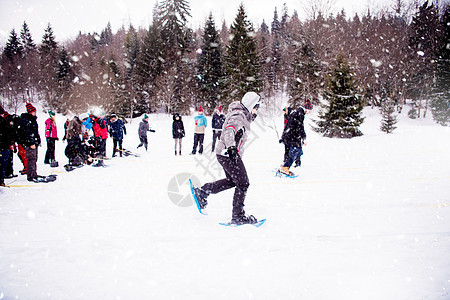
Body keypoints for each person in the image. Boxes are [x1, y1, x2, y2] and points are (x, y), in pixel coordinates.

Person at [191, 92, 261, 225]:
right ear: (251, 105)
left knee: (232, 181)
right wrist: (231, 148)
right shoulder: (239, 116)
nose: (256, 110)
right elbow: (230, 130)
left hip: (224, 154)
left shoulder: (241, 115)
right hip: (228, 154)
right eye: (256, 107)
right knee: (243, 183)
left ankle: (203, 191)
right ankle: (238, 216)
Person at [279, 100, 312, 176]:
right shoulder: (300, 114)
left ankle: (285, 165)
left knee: (290, 152)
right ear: (306, 109)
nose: (309, 112)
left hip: (289, 135)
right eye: (309, 110)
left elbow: (289, 125)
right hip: (293, 136)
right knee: (296, 152)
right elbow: (300, 127)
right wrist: (303, 138)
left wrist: (283, 136)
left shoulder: (296, 112)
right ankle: (285, 167)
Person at [20, 103, 41, 182]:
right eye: (34, 111)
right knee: (31, 159)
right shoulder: (27, 120)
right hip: (30, 143)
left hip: (34, 142)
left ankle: (34, 173)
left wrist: (37, 141)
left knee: (34, 159)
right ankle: (31, 175)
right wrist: (31, 143)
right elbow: (27, 133)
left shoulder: (33, 120)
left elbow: (35, 131)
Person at [0, 105, 14, 187]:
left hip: (4, 147)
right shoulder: (4, 122)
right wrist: (10, 143)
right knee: (2, 166)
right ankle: (1, 181)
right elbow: (9, 134)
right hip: (4, 147)